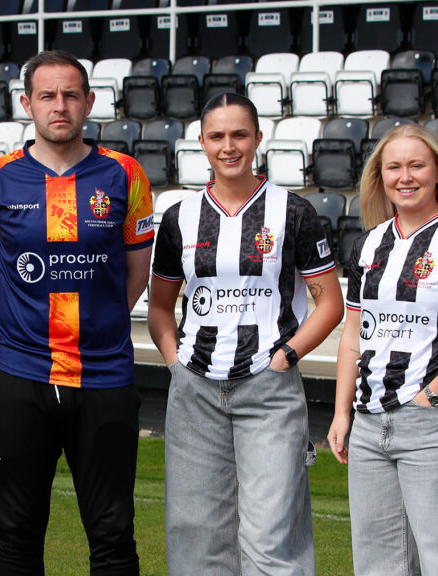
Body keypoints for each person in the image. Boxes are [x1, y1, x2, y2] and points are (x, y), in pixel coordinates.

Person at [0, 49, 154, 576]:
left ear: (89, 102)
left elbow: (135, 274)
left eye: (71, 94)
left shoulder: (125, 174)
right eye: (47, 95)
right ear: (27, 103)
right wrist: (20, 325)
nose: (60, 105)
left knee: (113, 533)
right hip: (18, 377)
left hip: (104, 375)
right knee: (17, 535)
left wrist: (98, 325)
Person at [147, 93, 344, 576]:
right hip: (195, 389)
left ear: (258, 138)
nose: (228, 146)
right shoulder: (179, 217)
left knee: (272, 537)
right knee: (195, 536)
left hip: (269, 389)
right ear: (201, 142)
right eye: (217, 136)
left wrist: (285, 356)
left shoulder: (293, 212)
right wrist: (176, 363)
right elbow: (159, 306)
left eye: (239, 134)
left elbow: (330, 303)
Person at [326, 125, 438, 576]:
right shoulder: (367, 244)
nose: (405, 177)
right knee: (378, 566)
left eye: (416, 165)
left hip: (436, 425)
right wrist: (342, 412)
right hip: (368, 426)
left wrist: (433, 394)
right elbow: (352, 334)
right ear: (380, 176)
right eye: (394, 167)